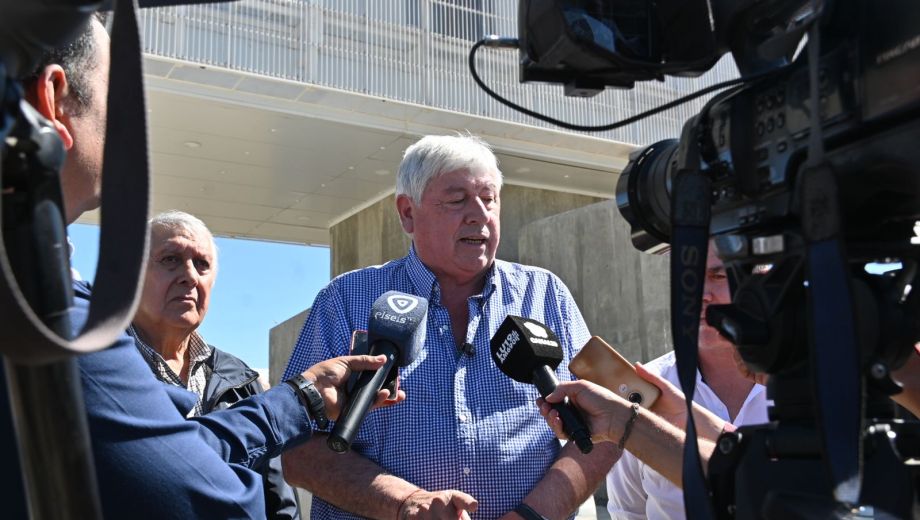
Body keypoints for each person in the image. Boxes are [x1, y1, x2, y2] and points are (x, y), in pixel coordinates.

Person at [4, 13, 402, 518]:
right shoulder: (52, 318)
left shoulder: (233, 375)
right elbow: (204, 495)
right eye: (119, 100)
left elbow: (190, 456)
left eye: (202, 264)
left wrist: (300, 399)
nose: (189, 276)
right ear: (54, 99)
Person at [281, 134, 618, 520]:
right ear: (408, 212)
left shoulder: (546, 295)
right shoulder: (346, 300)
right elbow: (297, 447)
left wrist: (533, 514)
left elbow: (607, 426)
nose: (479, 214)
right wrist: (403, 503)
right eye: (457, 200)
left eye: (489, 199)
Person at [129, 210, 300, 519]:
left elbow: (277, 498)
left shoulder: (241, 379)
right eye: (170, 260)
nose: (190, 276)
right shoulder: (101, 366)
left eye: (202, 265)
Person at [603, 246, 768, 520]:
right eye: (688, 278)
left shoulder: (805, 386)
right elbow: (628, 511)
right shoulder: (647, 389)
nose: (701, 294)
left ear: (762, 284)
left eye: (719, 276)